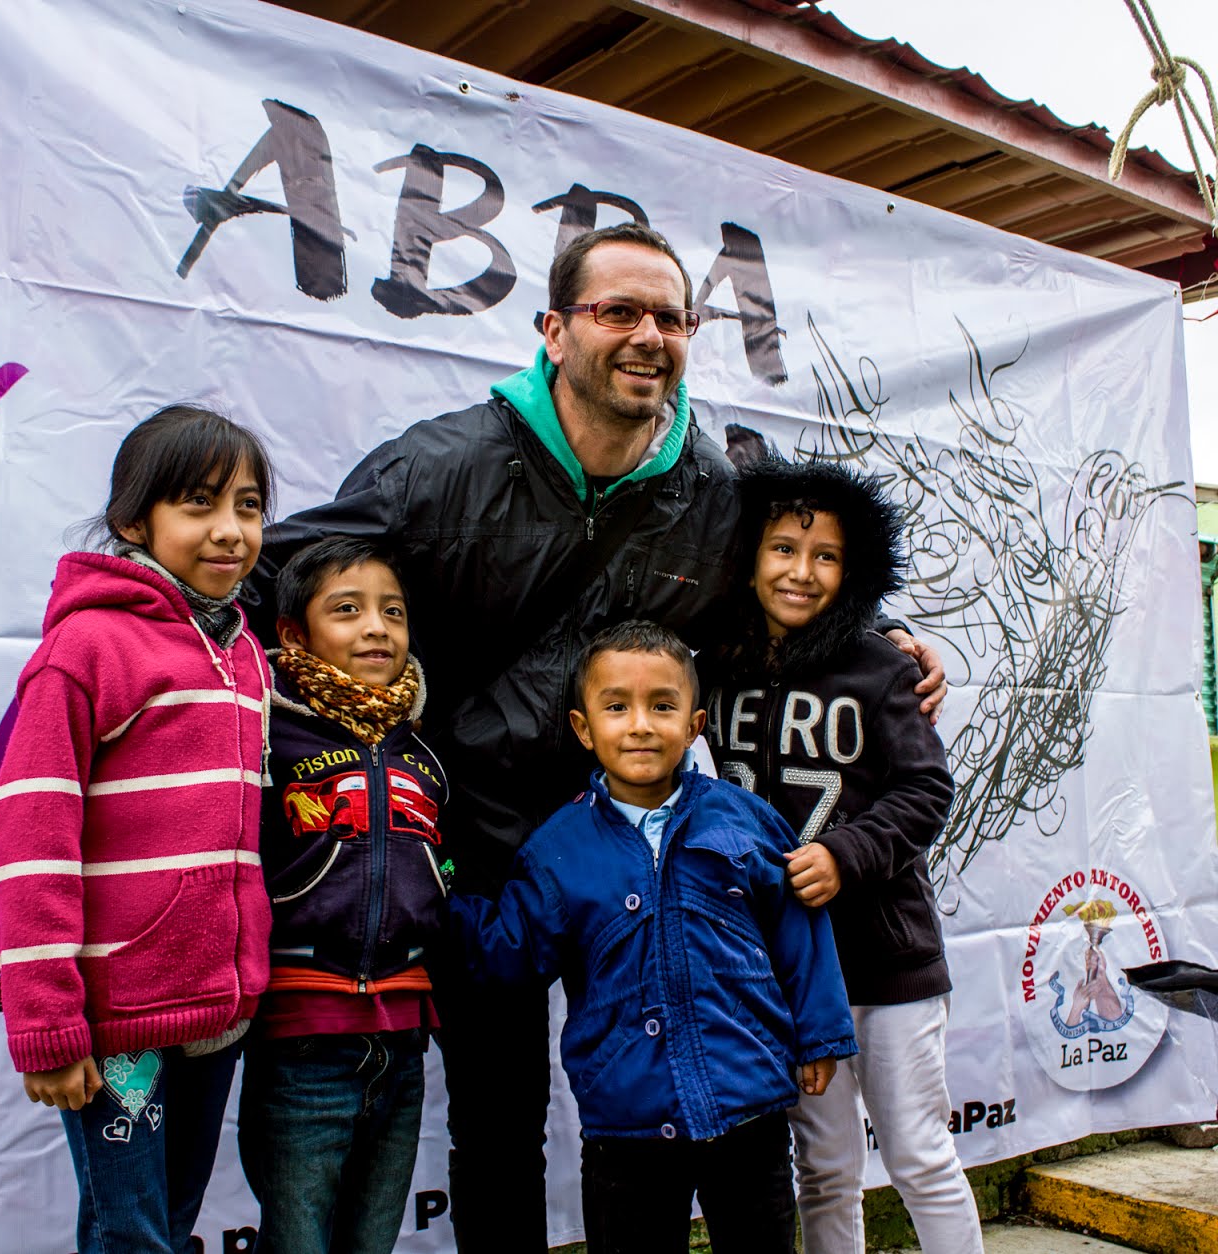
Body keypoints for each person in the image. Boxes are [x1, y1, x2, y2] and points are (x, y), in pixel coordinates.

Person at [259, 222, 945, 1249]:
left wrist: (874, 638)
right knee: (497, 1123)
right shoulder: (441, 465)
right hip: (471, 845)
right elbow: (286, 577)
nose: (645, 336)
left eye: (668, 316)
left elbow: (773, 607)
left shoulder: (711, 496)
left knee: (653, 1109)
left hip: (630, 839)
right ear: (553, 330)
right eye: (616, 310)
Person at [450, 620, 857, 1254]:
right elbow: (513, 951)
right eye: (617, 707)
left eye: (661, 706)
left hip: (747, 1103)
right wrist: (437, 898)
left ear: (694, 725)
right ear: (584, 729)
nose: (640, 724)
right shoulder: (557, 848)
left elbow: (798, 932)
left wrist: (820, 1034)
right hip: (626, 1122)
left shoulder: (745, 819)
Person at [0, 404, 276, 1254]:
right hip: (119, 1022)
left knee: (170, 1221)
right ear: (132, 521)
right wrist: (47, 1025)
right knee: (132, 1234)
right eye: (198, 504)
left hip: (213, 1012)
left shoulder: (243, 651)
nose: (229, 532)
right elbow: (27, 840)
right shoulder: (88, 648)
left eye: (249, 507)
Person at [702, 456, 982, 1253]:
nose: (802, 571)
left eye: (825, 556)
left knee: (921, 1155)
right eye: (783, 549)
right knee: (824, 1168)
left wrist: (846, 855)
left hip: (886, 963)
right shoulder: (711, 668)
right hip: (784, 972)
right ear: (749, 557)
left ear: (852, 569)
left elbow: (926, 792)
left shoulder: (881, 668)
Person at [238, 536, 449, 1254]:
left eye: (393, 612)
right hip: (301, 1034)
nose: (376, 628)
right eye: (348, 610)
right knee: (298, 1241)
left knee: (372, 1242)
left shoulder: (422, 751)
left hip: (402, 1037)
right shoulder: (268, 733)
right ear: (295, 632)